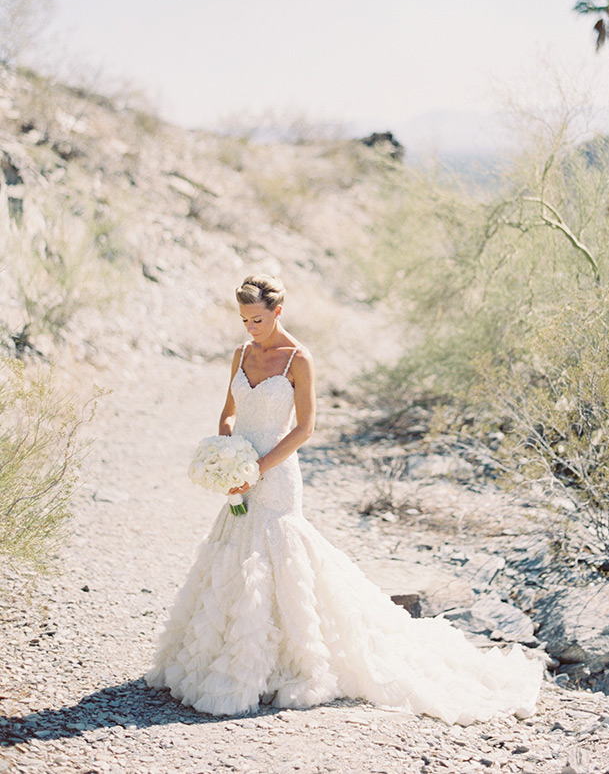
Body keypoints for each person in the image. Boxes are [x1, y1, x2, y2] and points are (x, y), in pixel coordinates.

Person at [146, 274, 543, 724]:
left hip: (275, 474)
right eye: (243, 319)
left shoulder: (298, 358)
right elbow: (228, 413)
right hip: (239, 471)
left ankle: (294, 663)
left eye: (257, 319)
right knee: (234, 552)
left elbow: (304, 428)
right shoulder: (239, 353)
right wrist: (225, 456)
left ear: (278, 312)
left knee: (279, 552)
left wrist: (255, 468)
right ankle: (235, 657)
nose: (250, 328)